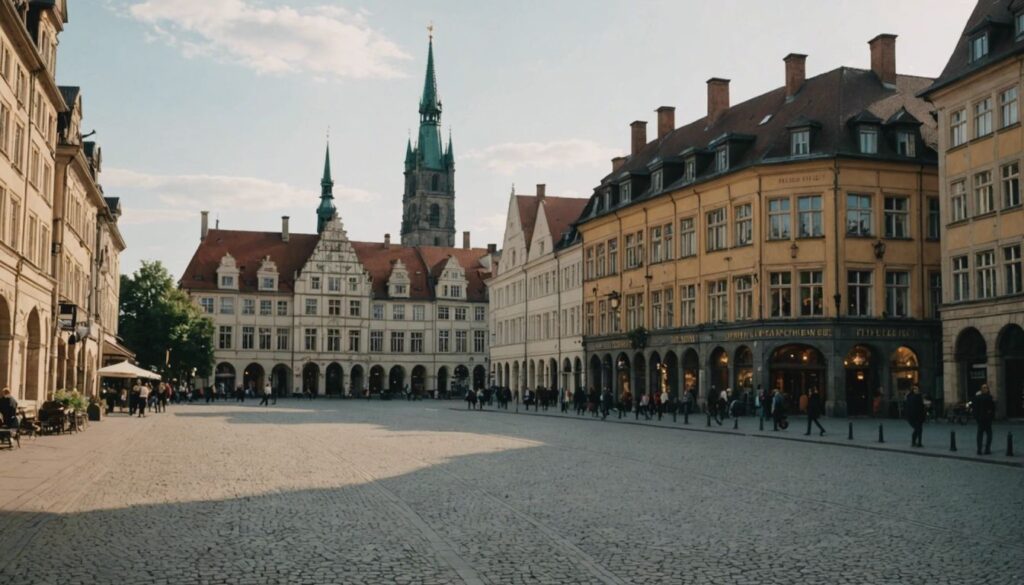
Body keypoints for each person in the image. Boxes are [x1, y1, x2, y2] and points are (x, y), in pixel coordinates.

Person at [974, 383, 996, 455]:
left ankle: (983, 449)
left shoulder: (985, 397)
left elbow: (992, 409)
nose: (985, 389)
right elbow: (975, 409)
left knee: (984, 435)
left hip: (985, 419)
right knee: (985, 435)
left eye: (986, 388)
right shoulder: (987, 397)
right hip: (983, 419)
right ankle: (983, 449)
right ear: (981, 389)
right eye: (984, 388)